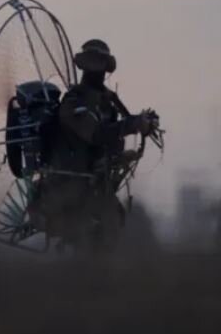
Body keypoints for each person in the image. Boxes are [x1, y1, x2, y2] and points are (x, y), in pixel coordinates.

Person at [32, 39, 157, 251]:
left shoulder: (106, 102)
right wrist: (134, 124)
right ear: (84, 67)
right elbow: (96, 134)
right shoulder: (74, 102)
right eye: (93, 65)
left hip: (95, 195)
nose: (97, 71)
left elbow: (111, 141)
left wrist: (139, 126)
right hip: (69, 194)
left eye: (100, 65)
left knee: (110, 229)